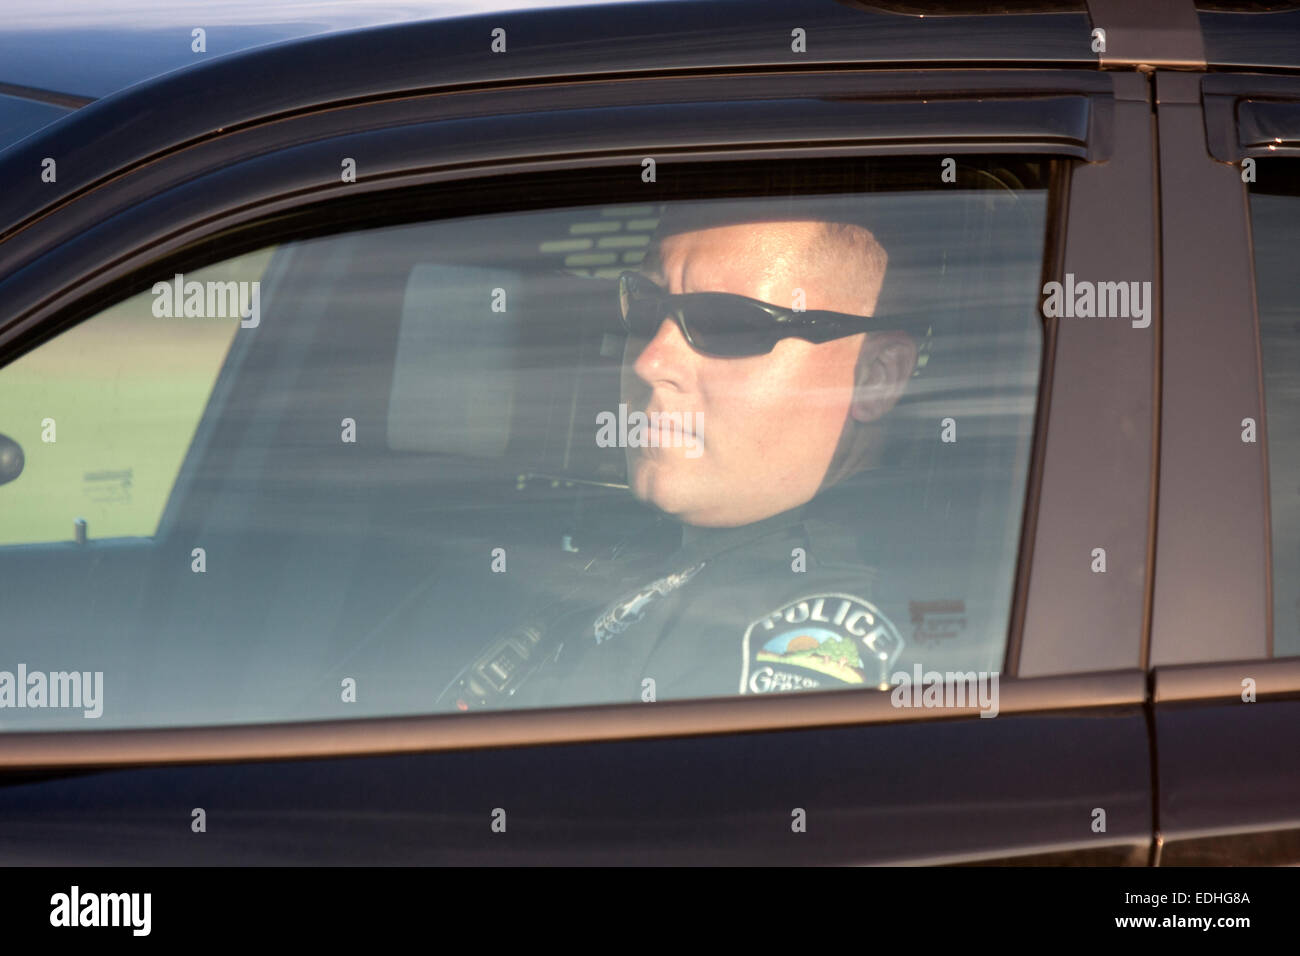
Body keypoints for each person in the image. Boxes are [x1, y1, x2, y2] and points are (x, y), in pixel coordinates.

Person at [443, 198, 924, 710]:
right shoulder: (654, 544)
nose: (651, 360)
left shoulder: (813, 640)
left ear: (875, 379)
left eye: (729, 324)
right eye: (647, 308)